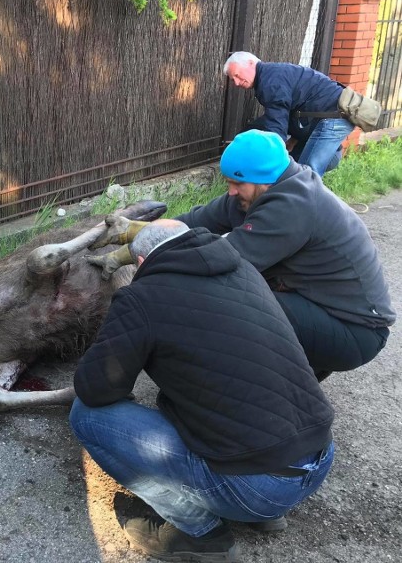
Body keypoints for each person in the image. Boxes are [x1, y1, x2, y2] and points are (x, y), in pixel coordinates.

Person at [71, 219, 335, 563]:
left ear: (140, 263)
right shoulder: (246, 271)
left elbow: (95, 389)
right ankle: (264, 514)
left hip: (258, 487)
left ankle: (200, 534)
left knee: (86, 416)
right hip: (320, 456)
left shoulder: (141, 298)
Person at [173, 129, 395, 380]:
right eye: (229, 182)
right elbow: (192, 222)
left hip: (355, 332)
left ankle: (239, 385)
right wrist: (136, 230)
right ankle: (294, 375)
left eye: (237, 183)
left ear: (264, 179)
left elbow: (220, 260)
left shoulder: (293, 204)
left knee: (230, 299)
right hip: (319, 307)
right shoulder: (258, 191)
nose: (231, 191)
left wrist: (160, 262)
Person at [223, 51, 353, 176]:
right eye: (232, 79)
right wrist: (293, 140)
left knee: (307, 173)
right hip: (326, 116)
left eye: (237, 75)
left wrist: (273, 159)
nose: (236, 82)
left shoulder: (270, 82)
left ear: (251, 63)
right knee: (293, 162)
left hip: (335, 116)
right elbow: (300, 108)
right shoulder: (271, 75)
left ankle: (296, 194)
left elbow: (276, 125)